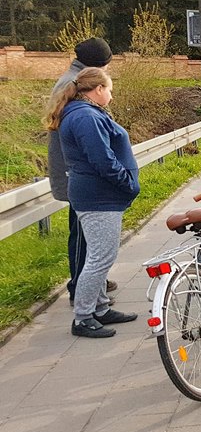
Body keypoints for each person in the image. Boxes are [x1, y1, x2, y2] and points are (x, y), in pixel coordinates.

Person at [46, 67, 140, 338]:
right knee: (100, 257)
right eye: (109, 89)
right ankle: (83, 317)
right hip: (98, 196)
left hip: (98, 194)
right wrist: (127, 181)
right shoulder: (85, 116)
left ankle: (99, 307)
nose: (111, 94)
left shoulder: (84, 112)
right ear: (98, 89)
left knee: (98, 254)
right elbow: (102, 159)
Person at [47, 37, 118, 305]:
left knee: (88, 235)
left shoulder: (75, 78)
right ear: (97, 65)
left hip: (77, 173)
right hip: (77, 175)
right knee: (81, 234)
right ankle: (80, 286)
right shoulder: (74, 84)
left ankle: (91, 280)